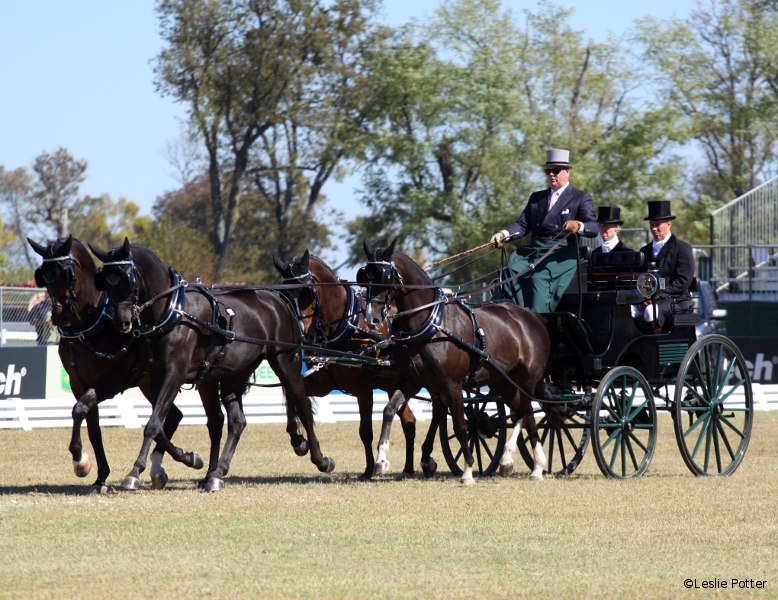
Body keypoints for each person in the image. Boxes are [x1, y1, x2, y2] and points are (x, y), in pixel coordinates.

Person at [490, 148, 597, 312]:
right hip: (535, 249)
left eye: (556, 170)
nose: (551, 175)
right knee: (509, 271)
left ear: (567, 172)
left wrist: (578, 225)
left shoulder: (580, 197)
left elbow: (594, 227)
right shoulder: (536, 197)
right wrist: (503, 234)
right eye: (548, 171)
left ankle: (539, 319)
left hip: (560, 253)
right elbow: (522, 224)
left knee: (538, 276)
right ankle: (511, 316)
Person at [632, 200, 695, 330]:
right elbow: (641, 278)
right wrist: (643, 298)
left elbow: (683, 281)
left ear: (668, 224)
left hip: (675, 300)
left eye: (657, 224)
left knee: (650, 312)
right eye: (651, 225)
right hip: (649, 299)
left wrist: (658, 295)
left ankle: (654, 342)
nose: (654, 229)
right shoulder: (645, 251)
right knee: (627, 310)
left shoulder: (682, 248)